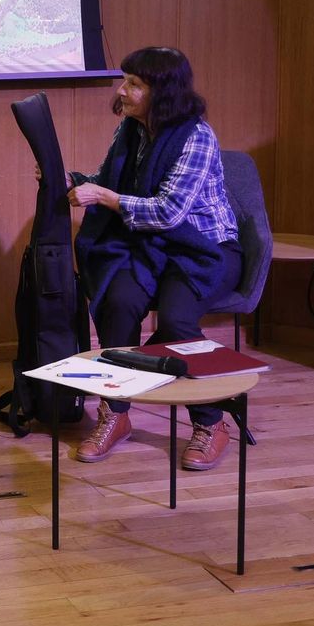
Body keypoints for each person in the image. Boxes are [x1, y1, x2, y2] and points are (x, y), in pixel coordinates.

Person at [69, 46, 243, 469]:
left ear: (161, 92)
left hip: (204, 248)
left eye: (134, 84)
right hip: (152, 245)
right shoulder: (131, 128)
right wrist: (73, 180)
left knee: (176, 321)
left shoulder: (196, 136)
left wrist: (104, 197)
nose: (122, 90)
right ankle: (116, 414)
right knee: (117, 301)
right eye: (124, 80)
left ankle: (211, 422)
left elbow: (167, 212)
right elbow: (108, 180)